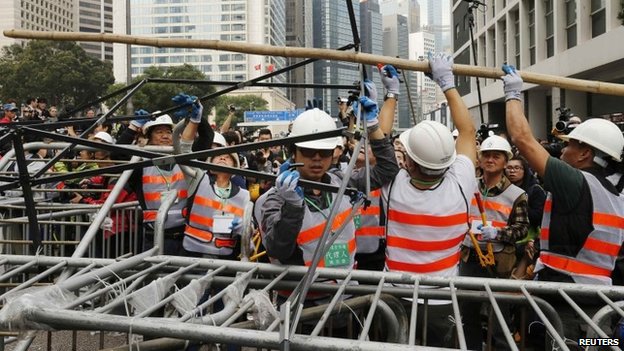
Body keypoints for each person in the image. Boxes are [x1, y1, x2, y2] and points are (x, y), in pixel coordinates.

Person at [501, 64, 624, 346]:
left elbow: (522, 138)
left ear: (585, 154)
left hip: (565, 300)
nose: (562, 149)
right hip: (597, 302)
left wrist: (513, 93)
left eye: (570, 144)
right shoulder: (616, 190)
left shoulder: (576, 182)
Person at [380, 54, 477, 347]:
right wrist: (446, 81)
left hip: (394, 297)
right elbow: (468, 132)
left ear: (407, 161)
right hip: (443, 298)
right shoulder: (462, 183)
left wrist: (391, 94)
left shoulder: (393, 186)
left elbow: (380, 139)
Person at [255, 79, 398, 274]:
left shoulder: (342, 181)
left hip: (346, 293)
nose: (316, 159)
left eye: (323, 153)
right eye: (308, 151)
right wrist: (292, 208)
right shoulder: (274, 198)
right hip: (300, 300)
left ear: (333, 153)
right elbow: (278, 249)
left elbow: (388, 169)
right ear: (293, 152)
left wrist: (373, 126)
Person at [459, 134, 528, 350]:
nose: (490, 160)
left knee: (499, 316)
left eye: (496, 156)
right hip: (470, 258)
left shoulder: (516, 194)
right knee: (467, 313)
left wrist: (498, 234)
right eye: (486, 155)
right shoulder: (469, 187)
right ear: (479, 160)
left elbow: (522, 228)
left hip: (498, 262)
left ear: (505, 161)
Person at [174, 93, 251, 260]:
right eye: (218, 156)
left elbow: (250, 234)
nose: (223, 157)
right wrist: (195, 120)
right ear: (209, 164)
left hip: (225, 259)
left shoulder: (244, 195)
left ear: (235, 167)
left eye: (228, 157)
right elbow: (184, 151)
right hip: (192, 254)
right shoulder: (198, 180)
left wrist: (244, 228)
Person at [117, 111, 190, 255]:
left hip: (184, 236)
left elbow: (203, 143)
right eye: (159, 132)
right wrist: (133, 127)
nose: (165, 136)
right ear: (149, 136)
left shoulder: (184, 160)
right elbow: (117, 154)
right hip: (153, 236)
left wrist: (193, 119)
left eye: (169, 132)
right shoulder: (140, 164)